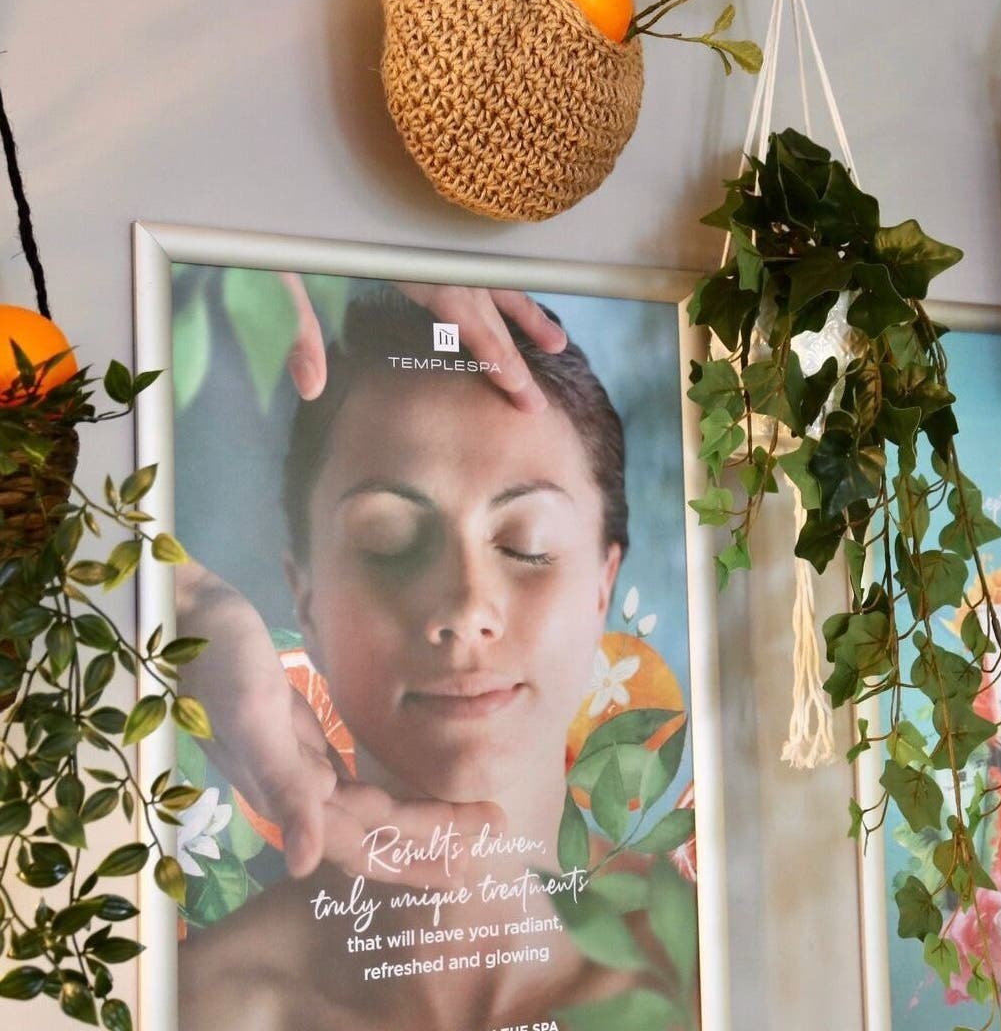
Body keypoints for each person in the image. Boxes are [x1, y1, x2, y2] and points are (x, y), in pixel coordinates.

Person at [176, 290, 661, 1030]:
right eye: (389, 542)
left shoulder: (723, 964)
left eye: (527, 544)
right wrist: (176, 614)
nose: (466, 609)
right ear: (303, 598)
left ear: (603, 583)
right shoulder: (198, 1005)